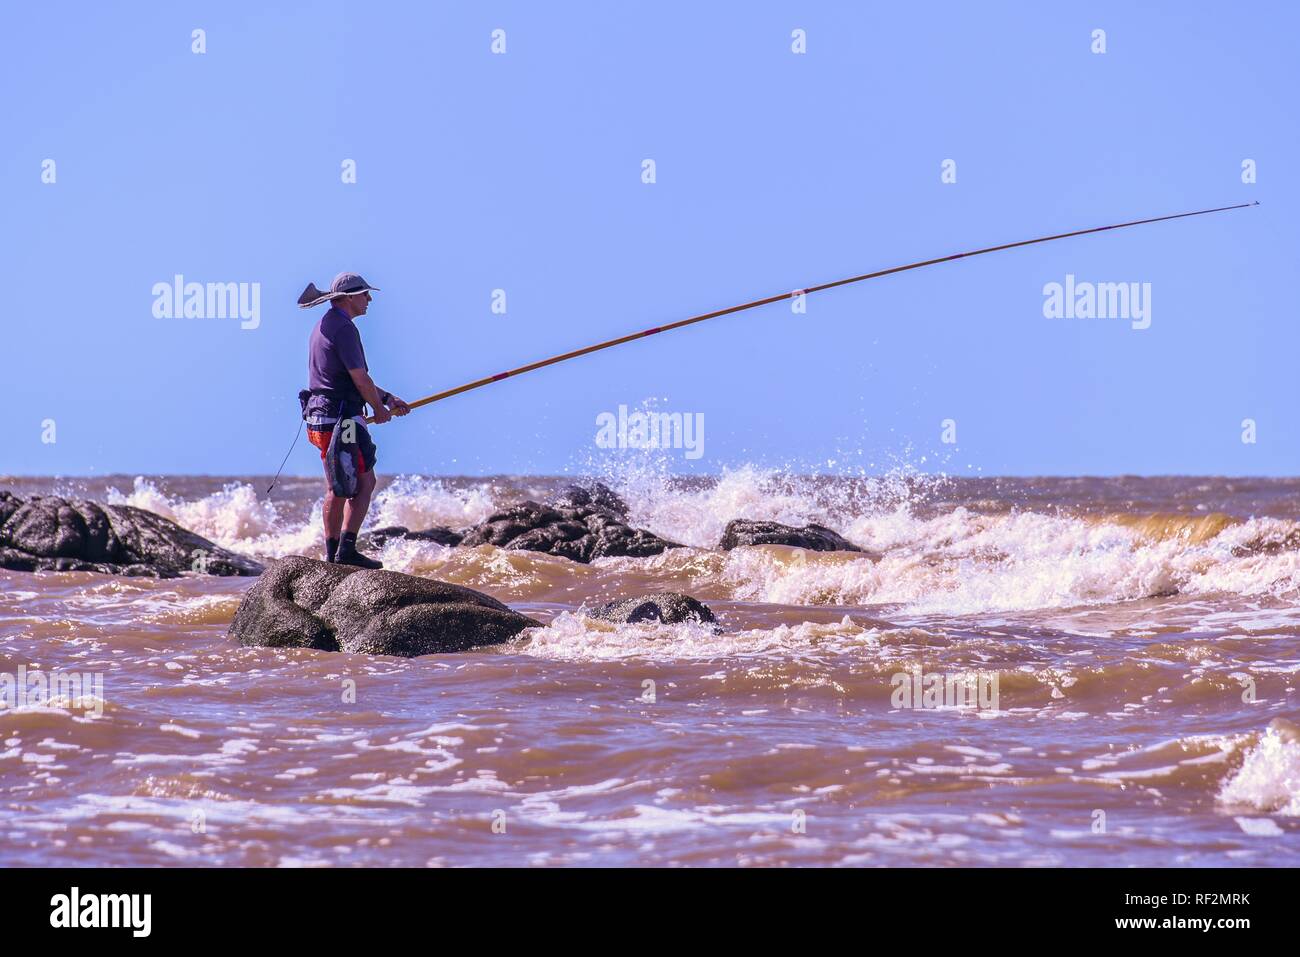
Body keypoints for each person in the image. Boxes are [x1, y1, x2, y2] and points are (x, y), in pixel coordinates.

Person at [298, 272, 409, 567]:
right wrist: (379, 409)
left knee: (339, 484)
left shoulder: (325, 325)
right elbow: (359, 378)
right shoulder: (344, 328)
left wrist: (385, 398)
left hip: (320, 418)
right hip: (342, 420)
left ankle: (333, 554)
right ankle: (344, 551)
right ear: (348, 298)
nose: (369, 299)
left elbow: (348, 377)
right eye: (364, 294)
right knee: (362, 482)